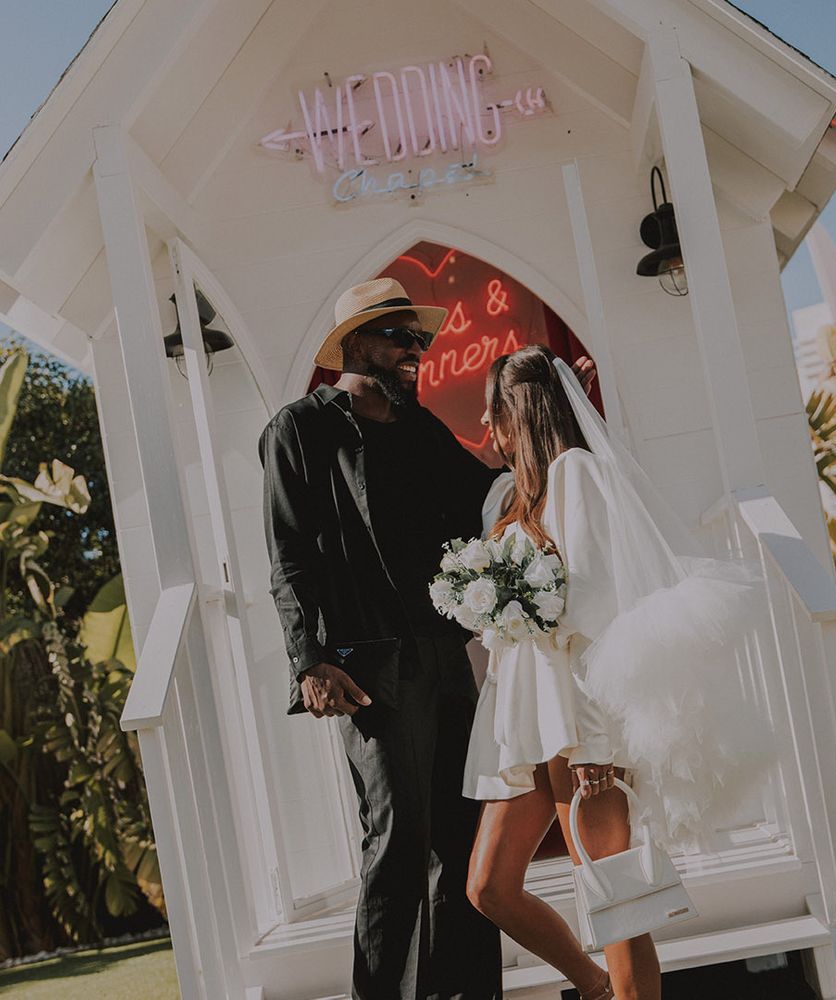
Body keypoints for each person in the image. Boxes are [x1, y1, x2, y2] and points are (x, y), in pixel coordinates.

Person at [258, 278, 596, 1000]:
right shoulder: (299, 429)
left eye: (422, 340)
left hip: (446, 662)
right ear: (355, 344)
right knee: (398, 842)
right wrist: (308, 661)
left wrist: (569, 471)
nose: (417, 352)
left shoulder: (419, 426)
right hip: (370, 670)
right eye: (401, 339)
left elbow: (490, 496)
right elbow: (288, 556)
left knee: (461, 840)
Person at [462, 345, 769, 1000]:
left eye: (492, 414)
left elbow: (603, 619)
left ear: (517, 413)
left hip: (582, 730)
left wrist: (596, 751)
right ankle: (598, 988)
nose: (488, 430)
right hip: (530, 723)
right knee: (489, 886)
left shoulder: (577, 476)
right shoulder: (514, 496)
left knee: (620, 906)